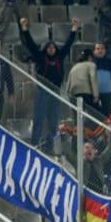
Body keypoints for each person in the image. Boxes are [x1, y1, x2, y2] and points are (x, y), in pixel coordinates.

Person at [19, 17, 79, 152]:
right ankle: (34, 144)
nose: (51, 49)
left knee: (53, 121)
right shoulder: (40, 57)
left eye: (53, 47)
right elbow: (30, 44)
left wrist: (74, 28)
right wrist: (24, 28)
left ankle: (51, 146)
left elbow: (68, 44)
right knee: (39, 119)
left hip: (55, 92)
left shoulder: (59, 56)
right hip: (43, 91)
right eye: (49, 47)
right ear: (46, 48)